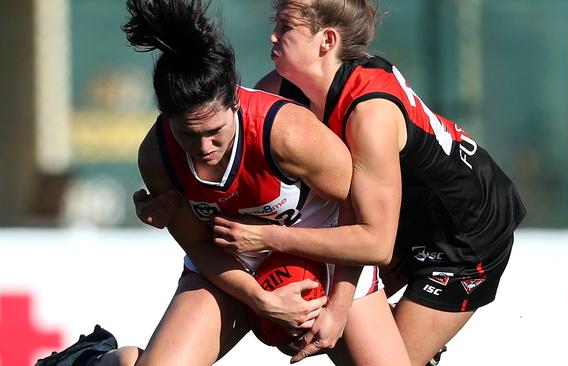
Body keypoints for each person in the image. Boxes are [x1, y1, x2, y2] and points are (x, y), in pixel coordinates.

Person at [135, 0, 527, 365]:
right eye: (275, 22)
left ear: (327, 41)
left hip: (462, 236)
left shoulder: (368, 114)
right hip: (386, 223)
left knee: (373, 350)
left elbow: (373, 240)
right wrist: (172, 205)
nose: (272, 35)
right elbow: (237, 183)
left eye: (286, 26)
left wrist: (289, 259)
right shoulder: (273, 93)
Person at [37, 0, 410, 365]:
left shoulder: (288, 133)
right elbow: (200, 246)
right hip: (234, 266)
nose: (204, 148)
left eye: (215, 132)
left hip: (323, 256)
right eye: (187, 134)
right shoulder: (157, 156)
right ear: (166, 118)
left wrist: (339, 307)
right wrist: (260, 299)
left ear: (234, 99)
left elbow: (357, 212)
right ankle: (95, 359)